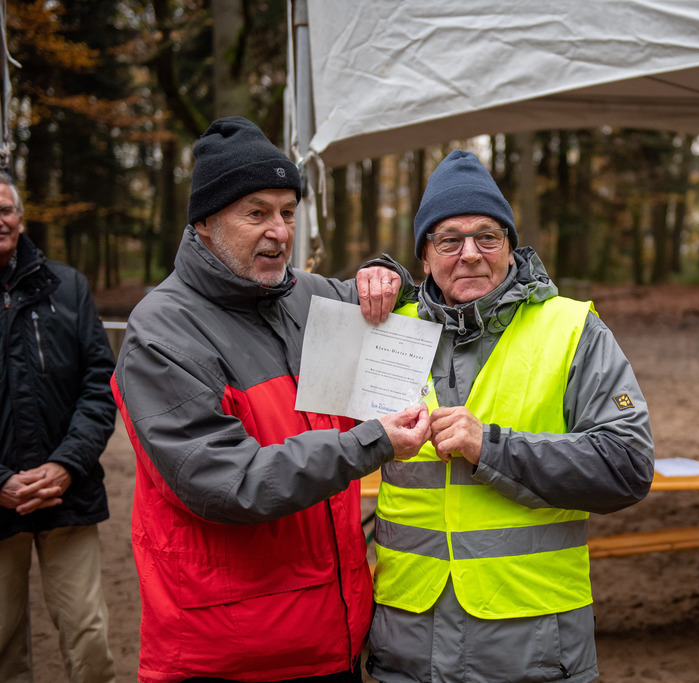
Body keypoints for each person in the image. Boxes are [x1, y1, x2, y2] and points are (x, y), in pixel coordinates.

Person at [112, 116, 430, 682]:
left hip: (331, 639)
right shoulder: (163, 331)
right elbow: (226, 481)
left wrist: (385, 275)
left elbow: (380, 297)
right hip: (230, 656)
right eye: (255, 212)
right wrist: (371, 442)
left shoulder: (301, 295)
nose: (279, 231)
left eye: (287, 211)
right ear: (206, 222)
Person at [366, 150, 656, 683]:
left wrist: (494, 447)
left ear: (511, 247)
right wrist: (370, 279)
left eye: (488, 237)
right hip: (407, 644)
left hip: (532, 646)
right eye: (449, 240)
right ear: (424, 257)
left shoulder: (571, 329)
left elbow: (628, 467)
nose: (470, 254)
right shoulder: (383, 332)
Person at [0, 172, 118, 683]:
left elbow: (100, 385)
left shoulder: (68, 286)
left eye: (5, 208)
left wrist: (67, 464)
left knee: (87, 633)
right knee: (2, 638)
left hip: (67, 493)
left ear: (20, 218)